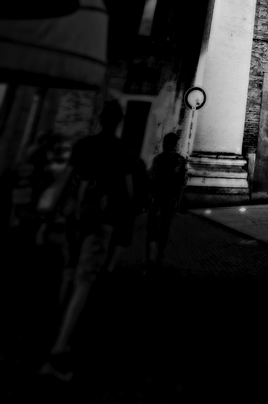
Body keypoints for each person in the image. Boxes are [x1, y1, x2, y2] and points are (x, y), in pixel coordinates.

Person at [39, 101, 135, 382]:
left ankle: (61, 332)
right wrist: (125, 225)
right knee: (84, 282)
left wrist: (47, 218)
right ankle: (59, 350)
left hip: (75, 219)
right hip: (101, 223)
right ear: (119, 121)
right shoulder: (122, 150)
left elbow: (64, 180)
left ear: (100, 119)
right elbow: (128, 193)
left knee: (68, 275)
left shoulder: (83, 145)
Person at [145, 133, 187, 271]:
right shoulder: (180, 160)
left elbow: (153, 178)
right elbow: (181, 181)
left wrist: (150, 196)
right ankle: (159, 257)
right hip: (170, 198)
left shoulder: (158, 159)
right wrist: (178, 200)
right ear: (175, 145)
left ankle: (150, 258)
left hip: (157, 197)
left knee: (152, 229)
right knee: (165, 228)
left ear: (164, 144)